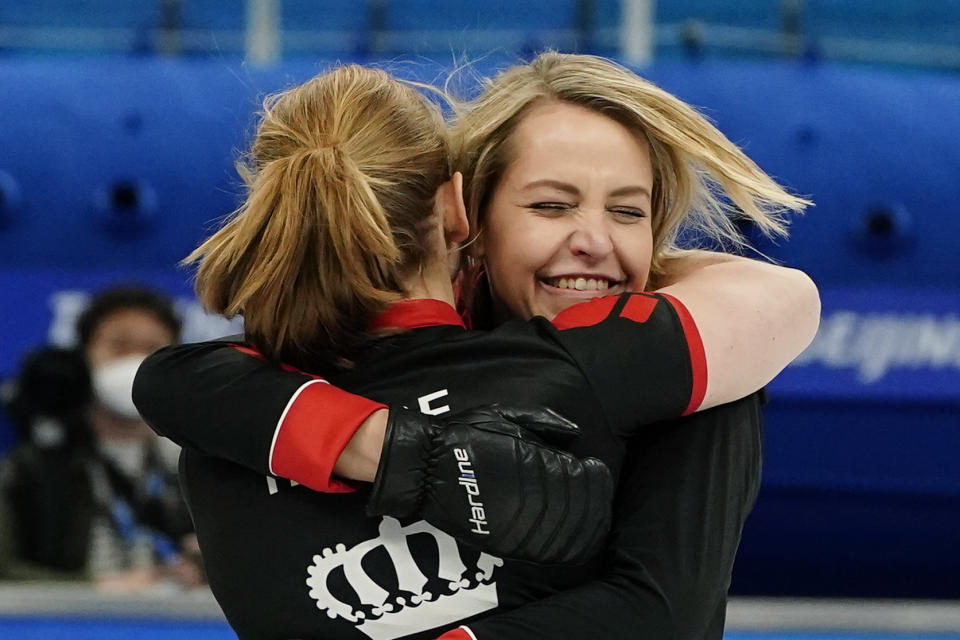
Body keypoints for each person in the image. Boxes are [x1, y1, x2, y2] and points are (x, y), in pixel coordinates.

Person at [134, 55, 819, 639]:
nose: (594, 239)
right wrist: (410, 450)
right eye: (551, 206)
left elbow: (664, 613)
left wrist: (397, 447)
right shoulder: (600, 374)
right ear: (468, 216)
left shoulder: (231, 413)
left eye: (629, 212)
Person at [0, 285, 202, 589]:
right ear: (83, 358)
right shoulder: (30, 470)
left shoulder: (199, 469)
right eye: (119, 347)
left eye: (152, 348)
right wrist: (93, 589)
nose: (136, 362)